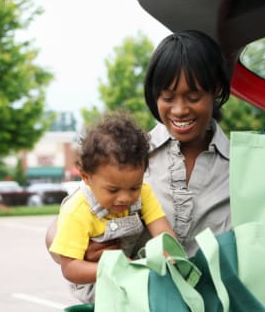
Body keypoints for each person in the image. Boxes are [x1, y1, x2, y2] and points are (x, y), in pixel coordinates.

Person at [46, 30, 265, 298]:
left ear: (215, 91)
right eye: (167, 97)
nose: (179, 109)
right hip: (139, 309)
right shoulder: (127, 158)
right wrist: (81, 249)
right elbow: (67, 223)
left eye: (193, 96)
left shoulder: (244, 163)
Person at [48, 110, 176, 301]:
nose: (124, 198)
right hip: (95, 281)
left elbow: (162, 231)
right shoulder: (78, 210)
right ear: (87, 178)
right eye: (113, 190)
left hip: (132, 270)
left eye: (134, 187)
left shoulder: (144, 192)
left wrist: (170, 254)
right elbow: (70, 268)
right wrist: (116, 266)